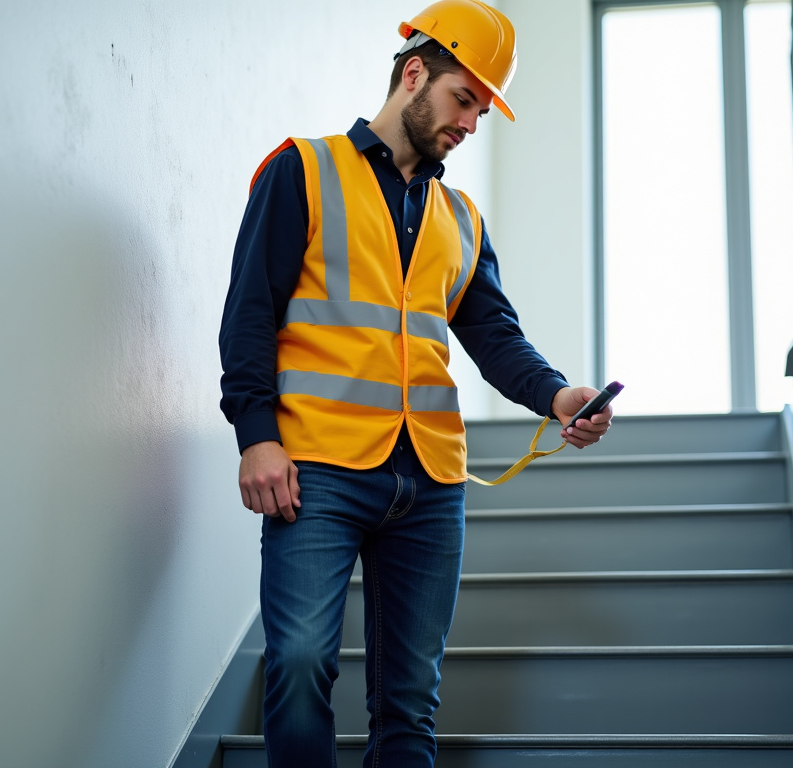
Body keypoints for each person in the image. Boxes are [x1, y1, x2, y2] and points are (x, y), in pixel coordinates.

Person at [218, 1, 613, 765]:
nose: (471, 122)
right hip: (318, 473)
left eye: (483, 109)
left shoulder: (461, 217)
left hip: (431, 482)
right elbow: (248, 315)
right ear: (413, 74)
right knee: (298, 663)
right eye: (465, 97)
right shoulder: (303, 169)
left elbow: (494, 336)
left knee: (410, 702)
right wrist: (256, 438)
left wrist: (560, 396)